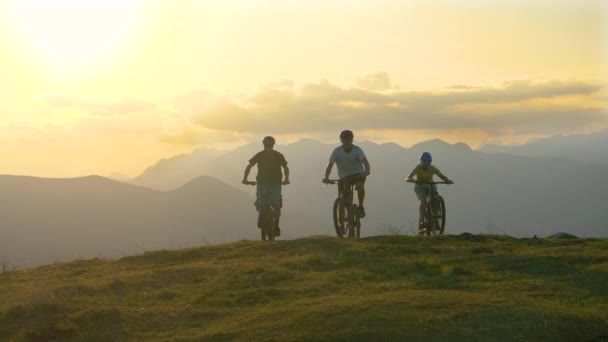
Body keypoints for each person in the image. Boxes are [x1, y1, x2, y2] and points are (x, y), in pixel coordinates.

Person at [242, 136, 290, 236]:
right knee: (277, 205)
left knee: (260, 202)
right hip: (276, 184)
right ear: (273, 144)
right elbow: (285, 167)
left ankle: (261, 216)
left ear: (263, 144)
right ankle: (276, 226)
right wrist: (286, 179)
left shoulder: (260, 155)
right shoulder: (278, 155)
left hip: (262, 184)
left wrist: (245, 179)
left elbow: (249, 166)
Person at [322, 130, 371, 218]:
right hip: (344, 177)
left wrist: (367, 171)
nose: (346, 141)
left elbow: (365, 162)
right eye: (344, 139)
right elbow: (330, 166)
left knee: (360, 186)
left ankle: (360, 206)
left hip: (358, 175)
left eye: (348, 139)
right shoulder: (337, 151)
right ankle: (345, 213)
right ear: (341, 140)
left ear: (352, 140)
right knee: (342, 197)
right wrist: (326, 177)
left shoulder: (357, 150)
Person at [406, 152, 453, 229]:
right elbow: (409, 176)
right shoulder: (417, 168)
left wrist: (447, 180)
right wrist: (409, 179)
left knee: (435, 199)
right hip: (419, 187)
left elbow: (441, 175)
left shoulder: (432, 168)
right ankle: (421, 219)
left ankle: (435, 219)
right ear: (421, 162)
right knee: (424, 200)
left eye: (427, 164)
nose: (426, 166)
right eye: (424, 164)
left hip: (430, 186)